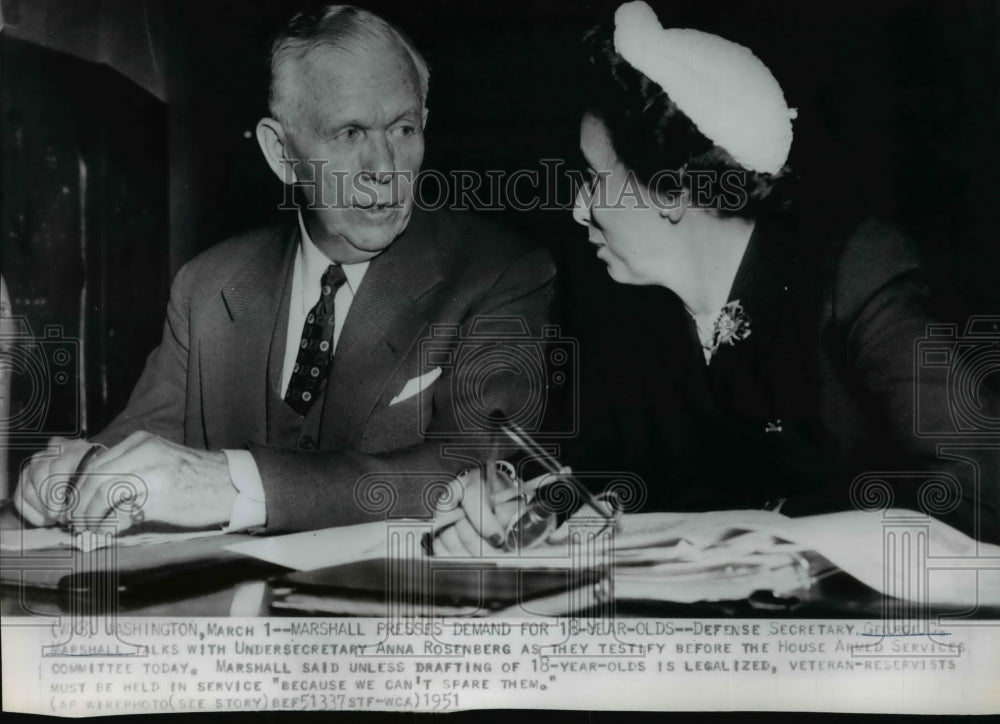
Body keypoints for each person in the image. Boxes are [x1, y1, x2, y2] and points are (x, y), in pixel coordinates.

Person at [436, 0, 999, 552]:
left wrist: (781, 540)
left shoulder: (856, 272)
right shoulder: (630, 311)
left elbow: (980, 492)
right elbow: (604, 469)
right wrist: (519, 507)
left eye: (592, 178)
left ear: (674, 191)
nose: (579, 209)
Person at [14, 4, 555, 534]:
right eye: (349, 134)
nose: (384, 169)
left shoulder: (501, 274)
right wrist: (74, 473)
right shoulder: (206, 288)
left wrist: (229, 485)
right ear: (280, 153)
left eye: (404, 129)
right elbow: (136, 442)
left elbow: (480, 473)